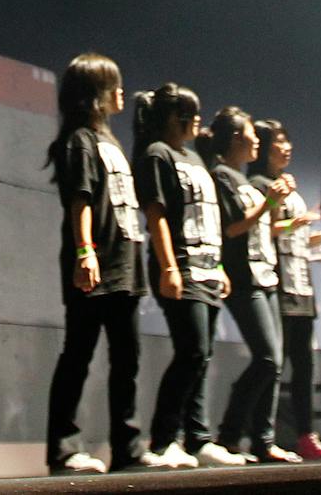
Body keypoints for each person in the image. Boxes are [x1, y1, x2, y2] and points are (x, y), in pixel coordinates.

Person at [43, 54, 146, 475]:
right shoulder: (80, 141)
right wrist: (85, 253)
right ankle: (64, 449)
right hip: (95, 265)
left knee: (127, 360)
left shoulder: (110, 140)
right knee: (78, 356)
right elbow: (79, 200)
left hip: (124, 265)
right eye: (113, 84)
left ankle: (128, 449)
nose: (121, 91)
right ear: (96, 93)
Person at [136, 84, 231, 469]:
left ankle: (197, 437)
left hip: (208, 268)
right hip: (181, 264)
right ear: (178, 117)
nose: (198, 122)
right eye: (194, 115)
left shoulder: (193, 156)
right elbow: (155, 214)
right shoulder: (157, 154)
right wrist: (169, 267)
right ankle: (162, 441)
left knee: (202, 354)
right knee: (191, 351)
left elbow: (208, 216)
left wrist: (220, 267)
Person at [248, 120, 321, 462]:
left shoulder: (289, 187)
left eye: (287, 140)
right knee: (272, 364)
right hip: (277, 284)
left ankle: (307, 436)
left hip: (301, 285)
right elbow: (260, 229)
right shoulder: (258, 184)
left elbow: (298, 236)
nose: (287, 147)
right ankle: (258, 436)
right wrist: (294, 222)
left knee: (304, 366)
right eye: (279, 141)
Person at [206, 108, 298, 464]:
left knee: (275, 362)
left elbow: (264, 226)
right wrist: (269, 203)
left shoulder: (242, 179)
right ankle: (230, 434)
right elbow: (232, 228)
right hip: (244, 278)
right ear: (235, 138)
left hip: (266, 273)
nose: (256, 141)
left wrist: (277, 203)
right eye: (250, 134)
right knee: (267, 357)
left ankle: (263, 440)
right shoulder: (221, 176)